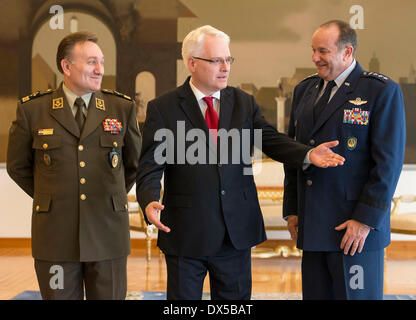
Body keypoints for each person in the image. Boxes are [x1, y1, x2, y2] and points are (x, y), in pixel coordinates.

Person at [136, 25, 345, 300]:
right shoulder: (164, 108)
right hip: (187, 231)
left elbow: (271, 140)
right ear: (192, 63)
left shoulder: (243, 102)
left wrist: (307, 154)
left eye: (228, 59)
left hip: (235, 231)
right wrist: (149, 200)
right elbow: (151, 164)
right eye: (216, 60)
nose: (225, 67)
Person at [7, 32, 142, 300]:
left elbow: (133, 164)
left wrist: (106, 197)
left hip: (107, 233)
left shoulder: (120, 108)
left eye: (101, 62)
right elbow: (17, 166)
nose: (100, 70)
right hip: (55, 236)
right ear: (66, 66)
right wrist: (54, 195)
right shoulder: (33, 110)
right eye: (92, 62)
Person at [283, 20, 406, 300]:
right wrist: (292, 208)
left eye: (323, 51)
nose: (315, 58)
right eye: (313, 50)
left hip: (354, 232)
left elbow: (387, 165)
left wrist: (364, 220)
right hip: (312, 226)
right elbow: (294, 154)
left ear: (347, 52)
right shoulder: (304, 91)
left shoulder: (381, 91)